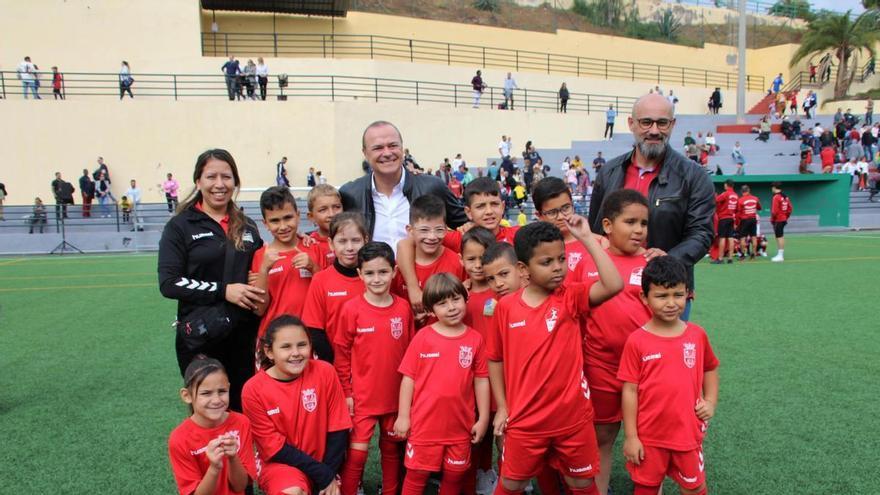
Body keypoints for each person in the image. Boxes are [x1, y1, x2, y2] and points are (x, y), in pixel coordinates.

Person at [488, 219, 623, 495]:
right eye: (546, 262)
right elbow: (495, 359)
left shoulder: (571, 297)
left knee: (581, 484)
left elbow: (614, 284)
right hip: (526, 422)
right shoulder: (506, 308)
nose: (558, 267)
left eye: (561, 259)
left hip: (573, 421)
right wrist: (502, 406)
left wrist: (587, 239)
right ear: (523, 269)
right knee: (511, 484)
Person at [589, 93, 714, 321]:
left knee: (662, 356)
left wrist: (669, 259)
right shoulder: (609, 172)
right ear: (631, 124)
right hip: (613, 290)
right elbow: (595, 230)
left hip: (666, 291)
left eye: (662, 123)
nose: (654, 131)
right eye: (646, 122)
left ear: (672, 125)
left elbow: (702, 234)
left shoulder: (694, 176)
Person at [158, 148, 265, 412]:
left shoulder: (247, 226)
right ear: (198, 181)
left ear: (235, 182)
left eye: (226, 177)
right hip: (201, 336)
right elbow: (169, 282)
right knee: (210, 412)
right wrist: (223, 291)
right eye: (211, 177)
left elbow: (263, 269)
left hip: (244, 337)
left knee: (244, 410)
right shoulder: (181, 226)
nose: (220, 184)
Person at [570, 189, 652, 495]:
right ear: (607, 225)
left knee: (646, 439)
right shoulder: (590, 263)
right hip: (599, 367)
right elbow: (576, 314)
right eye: (630, 222)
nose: (638, 230)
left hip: (645, 371)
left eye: (643, 223)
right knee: (601, 438)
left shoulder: (652, 262)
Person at [618, 256, 719, 495]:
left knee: (694, 488)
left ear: (688, 294)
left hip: (687, 434)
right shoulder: (636, 341)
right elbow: (630, 390)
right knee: (646, 487)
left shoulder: (697, 335)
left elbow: (710, 367)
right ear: (644, 298)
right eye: (662, 296)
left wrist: (711, 401)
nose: (671, 303)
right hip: (649, 437)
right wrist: (631, 437)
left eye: (678, 294)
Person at [394, 273, 490, 495]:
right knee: (416, 476)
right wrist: (403, 416)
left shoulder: (475, 339)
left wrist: (483, 418)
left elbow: (481, 380)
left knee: (455, 476)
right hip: (425, 426)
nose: (451, 307)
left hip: (460, 427)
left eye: (455, 299)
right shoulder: (423, 337)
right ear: (430, 310)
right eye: (442, 303)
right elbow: (408, 378)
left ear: (465, 299)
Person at [335, 242, 414, 495]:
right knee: (357, 455)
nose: (376, 279)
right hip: (363, 399)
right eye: (369, 273)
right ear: (359, 274)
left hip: (395, 397)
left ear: (394, 271)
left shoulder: (403, 308)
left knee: (391, 451)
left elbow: (411, 355)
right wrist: (347, 392)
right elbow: (342, 354)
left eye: (383, 272)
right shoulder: (351, 310)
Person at [242, 315, 351, 495]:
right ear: (269, 351)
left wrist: (327, 476)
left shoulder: (325, 372)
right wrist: (322, 474)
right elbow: (275, 449)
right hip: (281, 465)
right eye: (286, 347)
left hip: (324, 462)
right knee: (293, 492)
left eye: (302, 344)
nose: (296, 353)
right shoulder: (253, 390)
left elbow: (338, 430)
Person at [339, 121, 467, 252]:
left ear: (402, 148)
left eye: (393, 145)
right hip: (373, 272)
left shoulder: (432, 187)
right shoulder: (350, 194)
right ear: (365, 153)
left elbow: (467, 224)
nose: (387, 153)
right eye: (378, 148)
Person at [168, 357, 257, 495]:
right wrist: (214, 468)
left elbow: (240, 486)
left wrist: (233, 458)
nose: (216, 400)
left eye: (222, 391)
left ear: (228, 388)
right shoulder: (179, 438)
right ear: (187, 396)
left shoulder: (241, 423)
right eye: (206, 393)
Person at [250, 186, 322, 341]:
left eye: (288, 218)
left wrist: (314, 268)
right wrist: (264, 270)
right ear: (265, 223)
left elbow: (328, 295)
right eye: (275, 221)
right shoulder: (260, 256)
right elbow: (259, 309)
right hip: (274, 338)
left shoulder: (314, 247)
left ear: (298, 215)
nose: (283, 226)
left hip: (310, 336)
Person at [301, 212, 368, 363]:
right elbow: (314, 328)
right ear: (331, 244)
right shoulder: (321, 280)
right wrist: (332, 363)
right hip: (335, 363)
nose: (350, 247)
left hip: (370, 361)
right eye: (342, 241)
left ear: (366, 240)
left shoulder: (375, 279)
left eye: (356, 240)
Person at [307, 184, 344, 269]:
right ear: (311, 216)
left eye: (336, 207)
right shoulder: (309, 243)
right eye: (323, 210)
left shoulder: (352, 239)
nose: (331, 214)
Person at [712, 179, 739, 265]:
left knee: (722, 238)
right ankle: (730, 258)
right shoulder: (735, 195)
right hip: (731, 218)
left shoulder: (725, 193)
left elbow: (716, 200)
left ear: (726, 185)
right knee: (730, 238)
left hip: (723, 218)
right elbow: (737, 209)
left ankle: (720, 258)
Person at [736, 185, 762, 260]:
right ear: (749, 190)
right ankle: (753, 254)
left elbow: (738, 212)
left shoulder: (740, 200)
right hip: (753, 219)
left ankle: (743, 255)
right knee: (753, 237)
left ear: (742, 191)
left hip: (744, 220)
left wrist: (737, 223)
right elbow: (759, 208)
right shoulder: (755, 198)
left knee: (743, 238)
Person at [770, 182, 792, 262]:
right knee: (780, 236)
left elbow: (774, 211)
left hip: (778, 219)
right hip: (783, 219)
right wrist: (786, 217)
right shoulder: (785, 196)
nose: (771, 189)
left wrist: (772, 219)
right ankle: (780, 254)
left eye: (772, 187)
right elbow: (790, 208)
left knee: (779, 236)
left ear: (774, 187)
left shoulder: (776, 197)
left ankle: (780, 256)